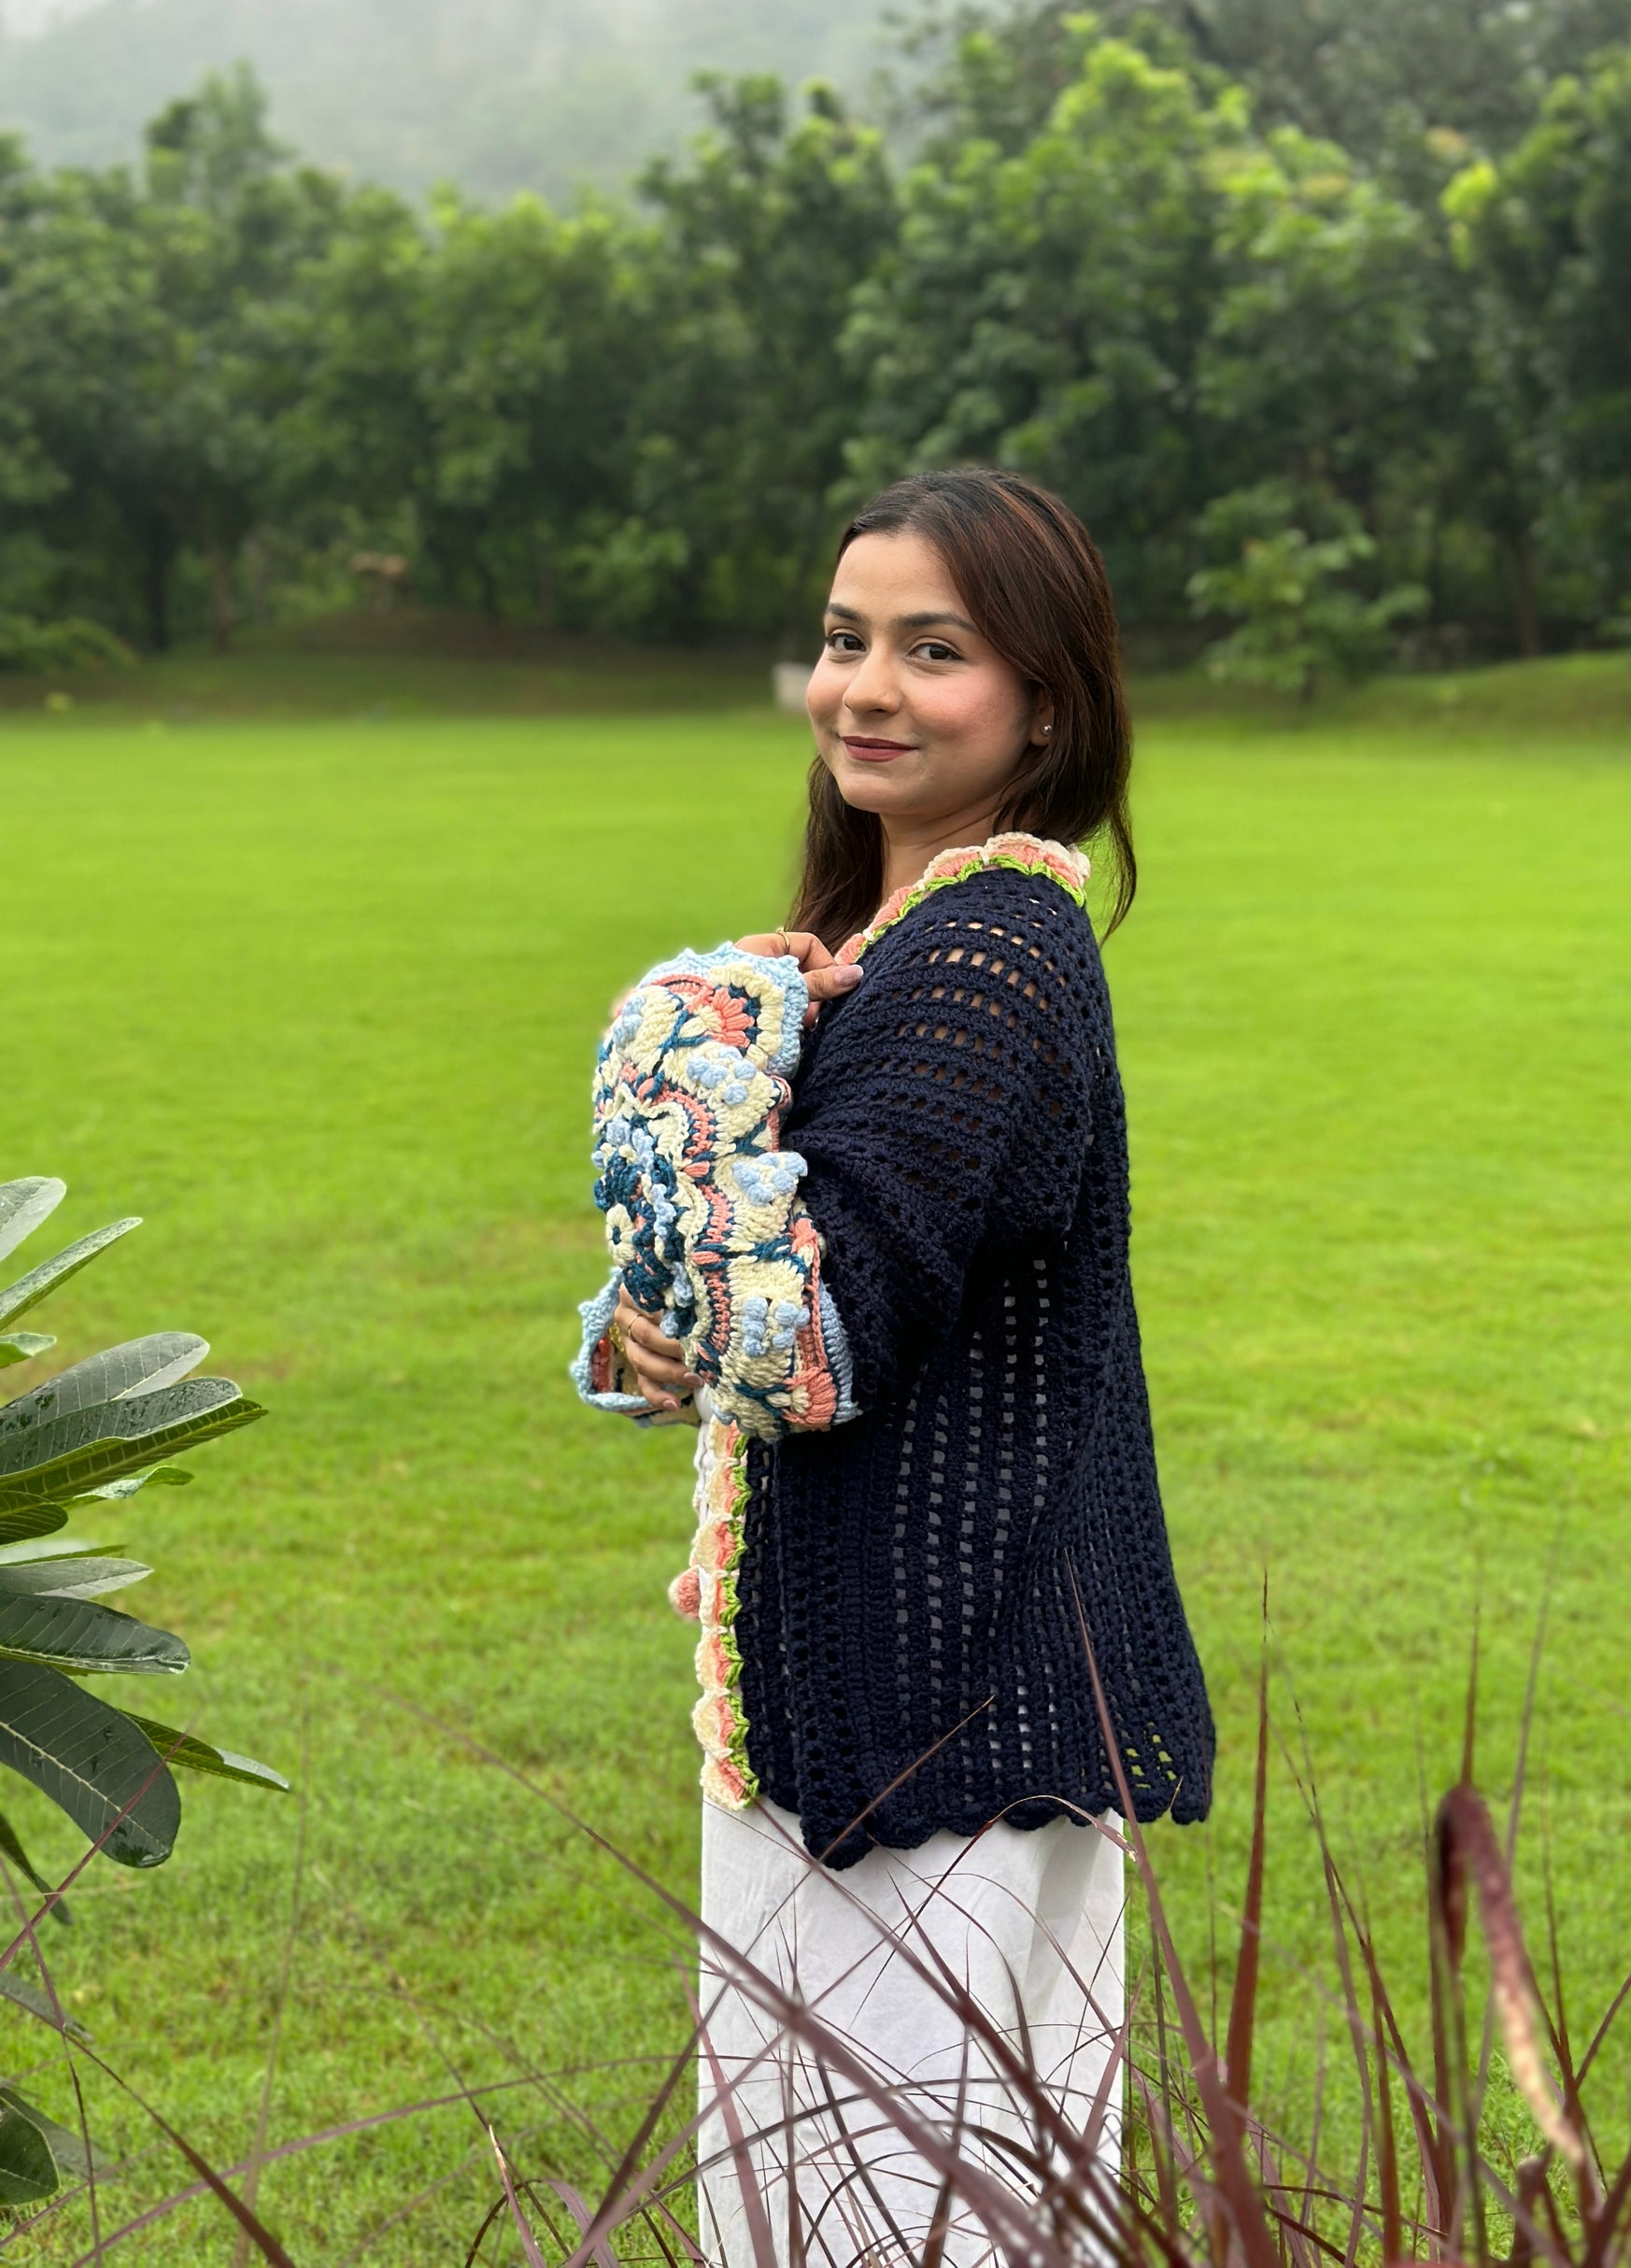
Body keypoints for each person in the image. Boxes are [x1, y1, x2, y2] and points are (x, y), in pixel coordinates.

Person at [573, 469, 1213, 2265]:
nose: (864, 687)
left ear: (1045, 701)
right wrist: (645, 1333)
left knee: (883, 2220)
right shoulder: (897, 946)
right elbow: (740, 1302)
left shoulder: (981, 955)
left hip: (930, 1717)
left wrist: (678, 1035)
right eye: (845, 638)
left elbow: (804, 1341)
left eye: (935, 650)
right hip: (914, 1690)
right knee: (910, 2207)